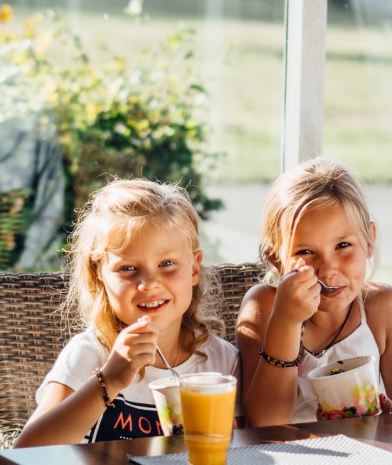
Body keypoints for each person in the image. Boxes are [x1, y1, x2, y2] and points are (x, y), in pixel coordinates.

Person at [15, 179, 237, 446]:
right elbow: (25, 453)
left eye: (167, 264)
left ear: (193, 269)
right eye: (128, 268)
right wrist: (108, 381)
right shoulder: (91, 354)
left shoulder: (220, 362)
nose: (148, 283)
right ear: (100, 276)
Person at [236, 157, 392, 427]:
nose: (328, 269)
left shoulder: (382, 307)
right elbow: (265, 424)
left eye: (343, 245)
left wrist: (381, 421)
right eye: (305, 252)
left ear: (369, 240)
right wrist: (286, 322)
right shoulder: (264, 305)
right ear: (276, 258)